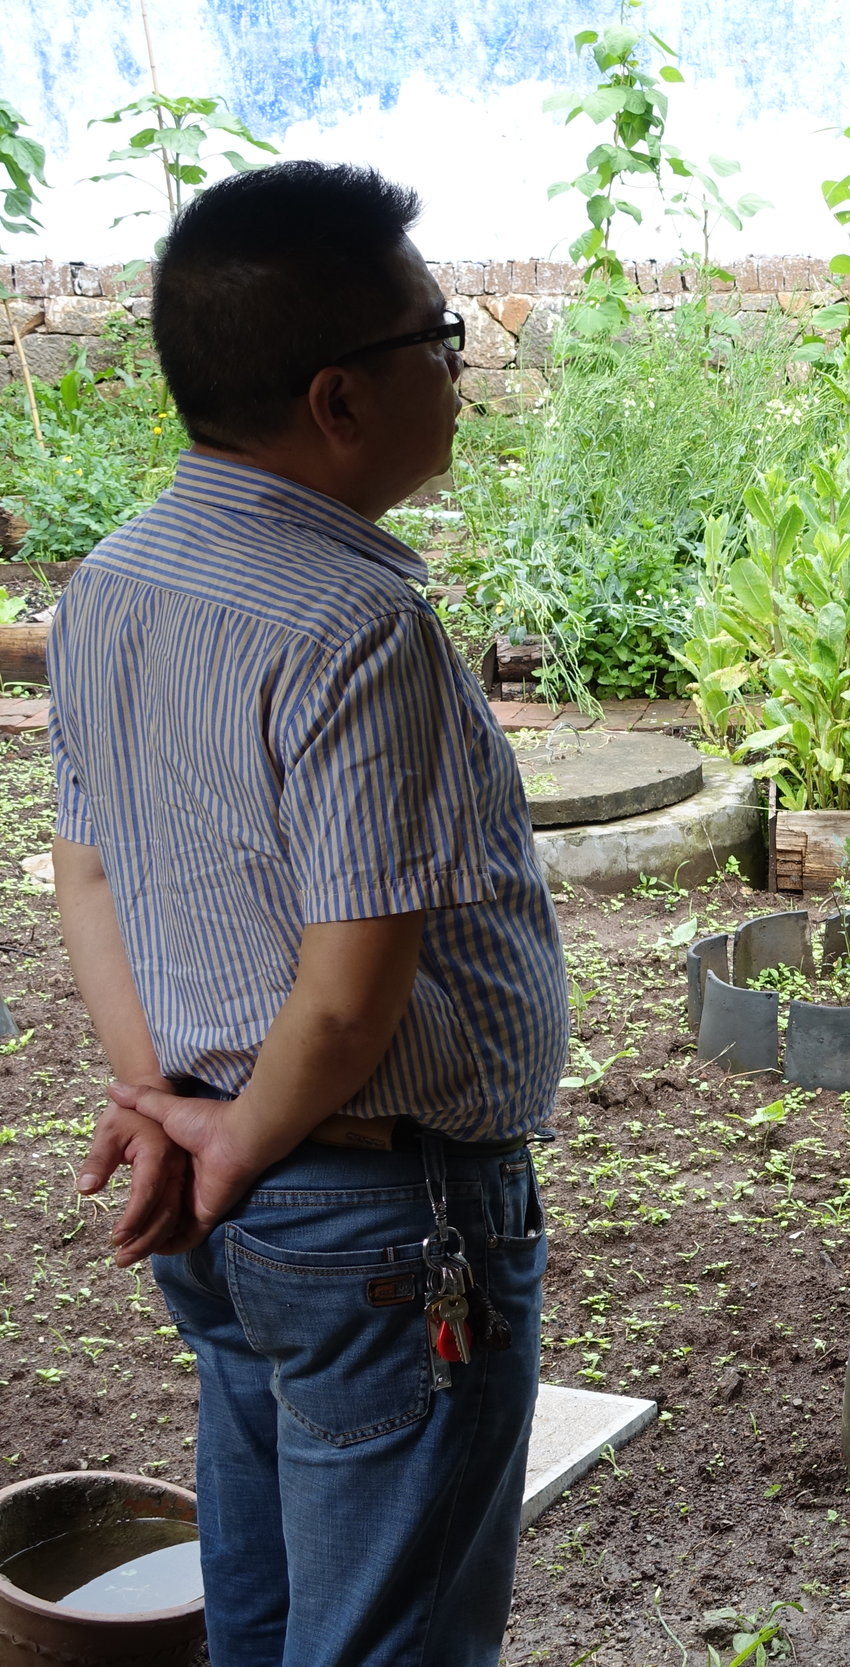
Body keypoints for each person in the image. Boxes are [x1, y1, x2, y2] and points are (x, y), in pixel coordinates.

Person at [58, 162, 569, 1667]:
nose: (462, 372)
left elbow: (89, 871)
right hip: (369, 1210)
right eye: (443, 340)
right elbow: (349, 995)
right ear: (342, 400)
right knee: (384, 1638)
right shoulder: (359, 628)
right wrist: (245, 1134)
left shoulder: (111, 583)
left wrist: (174, 1110)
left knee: (271, 1599)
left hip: (220, 1195)